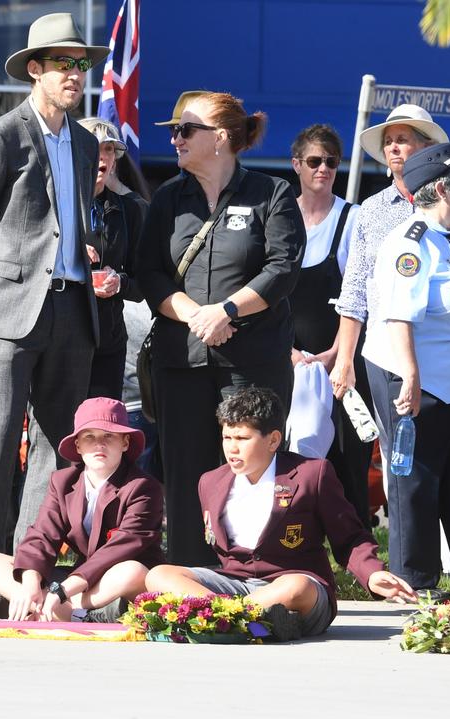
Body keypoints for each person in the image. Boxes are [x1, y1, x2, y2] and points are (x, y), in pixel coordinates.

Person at [0, 13, 108, 568]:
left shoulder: (87, 143)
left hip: (72, 304)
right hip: (7, 311)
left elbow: (76, 224)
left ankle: (27, 566)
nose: (75, 73)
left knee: (56, 448)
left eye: (80, 64)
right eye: (63, 63)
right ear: (35, 70)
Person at [136, 91, 302, 566]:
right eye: (173, 130)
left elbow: (283, 268)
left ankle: (256, 576)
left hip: (253, 362)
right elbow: (150, 274)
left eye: (185, 130)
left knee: (252, 468)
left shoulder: (272, 193)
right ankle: (190, 581)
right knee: (187, 474)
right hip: (180, 362)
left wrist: (226, 310)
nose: (175, 139)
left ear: (221, 138)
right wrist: (197, 314)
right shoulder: (168, 197)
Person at [144, 388, 416, 641]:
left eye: (242, 438)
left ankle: (222, 619)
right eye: (227, 437)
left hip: (294, 584)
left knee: (295, 586)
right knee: (159, 575)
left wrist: (371, 573)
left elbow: (350, 536)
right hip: (235, 583)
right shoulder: (210, 481)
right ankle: (245, 620)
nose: (231, 448)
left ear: (273, 440)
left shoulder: (312, 474)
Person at [361, 143, 450, 600]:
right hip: (418, 375)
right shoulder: (411, 241)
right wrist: (410, 376)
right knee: (417, 479)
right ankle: (417, 582)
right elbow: (398, 315)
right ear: (442, 188)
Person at [330, 105, 450, 422]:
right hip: (389, 356)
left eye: (402, 139)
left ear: (427, 148)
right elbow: (356, 287)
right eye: (388, 141)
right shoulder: (371, 210)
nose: (393, 148)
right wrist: (344, 357)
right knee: (401, 459)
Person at [0, 397, 163, 622]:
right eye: (89, 437)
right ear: (78, 445)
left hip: (112, 578)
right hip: (77, 583)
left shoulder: (143, 487)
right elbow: (42, 536)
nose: (99, 444)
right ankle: (32, 602)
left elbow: (119, 549)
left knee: (131, 571)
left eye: (109, 436)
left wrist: (63, 591)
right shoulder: (62, 481)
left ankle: (58, 610)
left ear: (125, 443)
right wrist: (30, 582)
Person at [287, 123, 369, 525]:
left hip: (340, 359)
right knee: (289, 457)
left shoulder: (353, 219)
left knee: (349, 457)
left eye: (331, 163)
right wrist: (288, 354)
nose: (323, 170)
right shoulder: (280, 216)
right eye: (315, 161)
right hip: (287, 358)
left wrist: (338, 354)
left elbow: (359, 294)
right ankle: (292, 540)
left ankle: (357, 548)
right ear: (297, 164)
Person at [78, 118, 144, 401]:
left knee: (103, 429)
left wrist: (121, 283)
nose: (102, 156)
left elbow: (144, 282)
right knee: (56, 435)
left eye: (109, 150)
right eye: (94, 148)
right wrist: (70, 257)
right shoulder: (50, 206)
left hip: (109, 343)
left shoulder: (131, 211)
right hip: (60, 343)